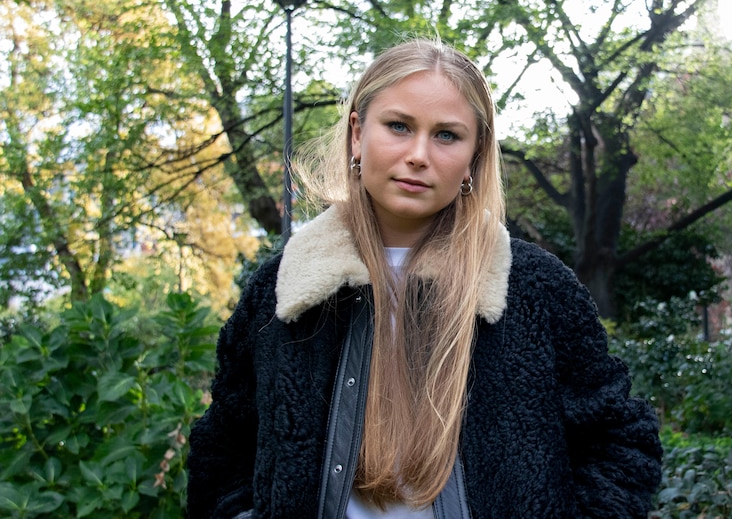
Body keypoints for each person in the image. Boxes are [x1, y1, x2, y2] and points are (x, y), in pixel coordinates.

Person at [186, 39, 662, 519]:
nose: (418, 154)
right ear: (357, 133)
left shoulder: (534, 289)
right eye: (398, 126)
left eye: (447, 135)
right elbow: (223, 452)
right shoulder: (283, 290)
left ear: (475, 155)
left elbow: (619, 442)